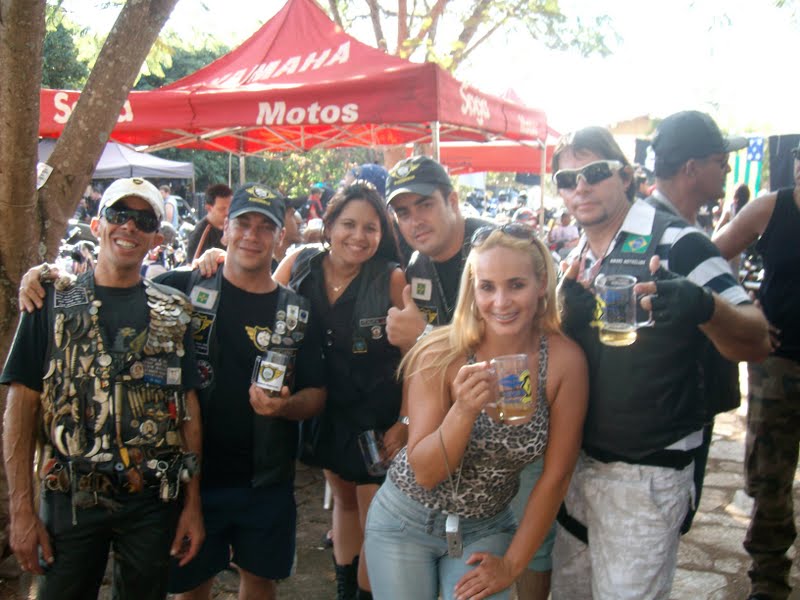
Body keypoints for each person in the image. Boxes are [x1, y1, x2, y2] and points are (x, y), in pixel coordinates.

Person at [19, 182, 328, 600]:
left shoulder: (296, 312)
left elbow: (317, 394)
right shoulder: (180, 288)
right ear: (225, 230)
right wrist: (41, 277)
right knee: (190, 585)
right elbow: (113, 286)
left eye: (265, 227)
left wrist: (285, 406)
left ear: (280, 237)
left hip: (263, 480)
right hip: (183, 481)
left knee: (259, 581)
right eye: (243, 223)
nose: (252, 236)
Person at [550, 126, 770, 599]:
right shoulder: (576, 255)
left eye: (594, 172)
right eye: (566, 179)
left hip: (646, 474)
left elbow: (757, 338)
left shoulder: (678, 243)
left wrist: (704, 307)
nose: (580, 187)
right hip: (579, 467)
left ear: (625, 177)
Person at [363, 224, 588, 600]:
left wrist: (512, 565)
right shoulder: (440, 353)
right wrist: (464, 411)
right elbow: (426, 472)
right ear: (473, 289)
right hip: (405, 520)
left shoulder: (565, 361)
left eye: (516, 285)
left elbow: (557, 475)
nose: (501, 302)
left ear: (541, 285)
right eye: (487, 287)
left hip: (486, 526)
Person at [5, 177, 204, 600]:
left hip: (152, 499)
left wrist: (193, 504)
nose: (129, 226)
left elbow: (187, 407)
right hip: (69, 497)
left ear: (156, 238)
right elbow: (20, 407)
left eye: (144, 220)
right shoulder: (49, 301)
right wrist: (21, 508)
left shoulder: (174, 310)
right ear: (97, 225)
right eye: (119, 214)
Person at [384, 155, 555, 598]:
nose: (415, 220)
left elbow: (518, 337)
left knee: (532, 547)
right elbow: (425, 364)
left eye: (424, 205)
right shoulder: (417, 264)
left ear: (452, 200)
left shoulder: (493, 247)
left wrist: (421, 336)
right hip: (453, 429)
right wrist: (406, 420)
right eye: (403, 212)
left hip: (516, 423)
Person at [275, 182, 407, 600]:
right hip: (323, 408)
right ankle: (344, 590)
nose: (359, 236)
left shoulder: (390, 277)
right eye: (349, 224)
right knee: (344, 503)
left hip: (374, 415)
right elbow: (259, 296)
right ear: (329, 225)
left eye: (371, 228)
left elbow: (417, 357)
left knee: (375, 518)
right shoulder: (300, 264)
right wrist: (214, 257)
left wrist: (405, 421)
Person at [647, 110, 754, 533]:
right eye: (719, 160)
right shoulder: (686, 242)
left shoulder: (638, 224)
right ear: (691, 169)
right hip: (677, 422)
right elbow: (755, 332)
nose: (726, 169)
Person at [712, 140, 800, 600]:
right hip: (779, 363)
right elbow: (709, 258)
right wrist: (743, 304)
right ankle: (769, 576)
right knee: (769, 474)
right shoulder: (771, 208)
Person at [185, 183, 233, 262]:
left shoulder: (236, 226)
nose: (228, 212)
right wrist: (223, 242)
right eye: (222, 209)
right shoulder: (199, 235)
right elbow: (193, 266)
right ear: (208, 208)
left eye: (231, 207)